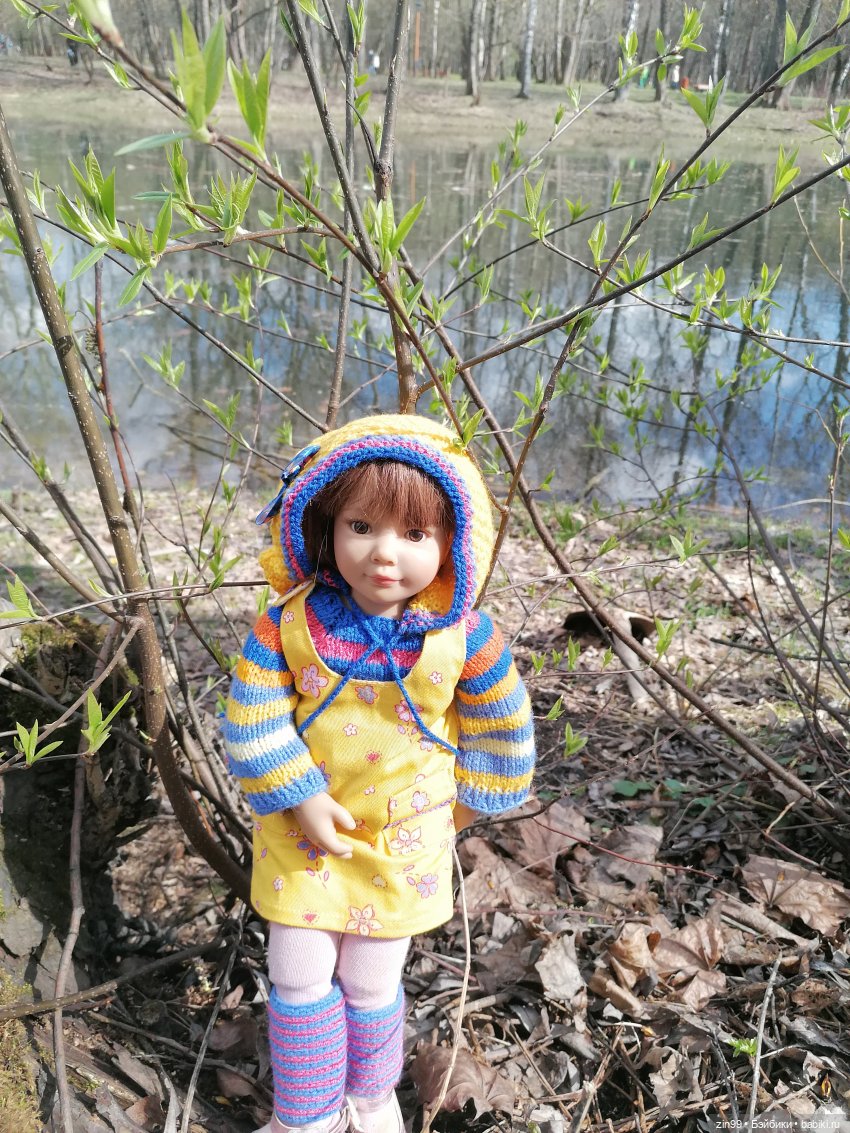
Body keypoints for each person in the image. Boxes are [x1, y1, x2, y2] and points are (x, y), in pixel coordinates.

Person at [224, 414, 536, 1133]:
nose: (384, 553)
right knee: (296, 971)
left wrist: (463, 808)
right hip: (302, 833)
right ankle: (307, 1114)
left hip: (405, 838)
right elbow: (253, 714)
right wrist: (299, 792)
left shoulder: (464, 636)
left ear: (454, 542)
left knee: (371, 979)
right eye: (361, 526)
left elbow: (503, 724)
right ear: (324, 524)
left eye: (415, 534)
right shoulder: (289, 623)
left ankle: (369, 1101)